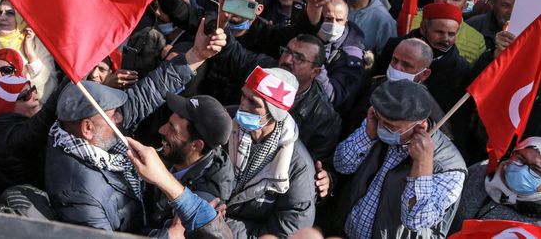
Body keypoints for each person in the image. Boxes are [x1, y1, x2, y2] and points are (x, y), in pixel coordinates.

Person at [45, 23, 226, 233]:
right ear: (87, 128)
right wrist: (170, 235)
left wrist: (196, 55)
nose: (123, 116)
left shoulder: (96, 127)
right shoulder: (79, 196)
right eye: (115, 114)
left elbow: (148, 92)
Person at [334, 80, 467, 238]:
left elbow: (415, 221)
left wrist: (422, 164)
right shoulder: (378, 124)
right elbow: (341, 165)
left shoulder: (449, 167)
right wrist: (368, 136)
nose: (381, 127)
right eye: (379, 118)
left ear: (420, 127)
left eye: (390, 126)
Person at [225, 66, 317, 236]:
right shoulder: (222, 122)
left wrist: (221, 227)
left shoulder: (297, 167)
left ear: (275, 114)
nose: (243, 105)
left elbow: (285, 232)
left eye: (254, 103)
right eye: (243, 95)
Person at [144, 93, 234, 234]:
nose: (161, 130)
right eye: (168, 122)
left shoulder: (205, 202)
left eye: (172, 129)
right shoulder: (174, 154)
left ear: (196, 145)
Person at [454, 137, 541, 227]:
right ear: (512, 154)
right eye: (520, 158)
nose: (522, 170)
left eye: (536, 169)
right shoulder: (483, 170)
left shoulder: (537, 224)